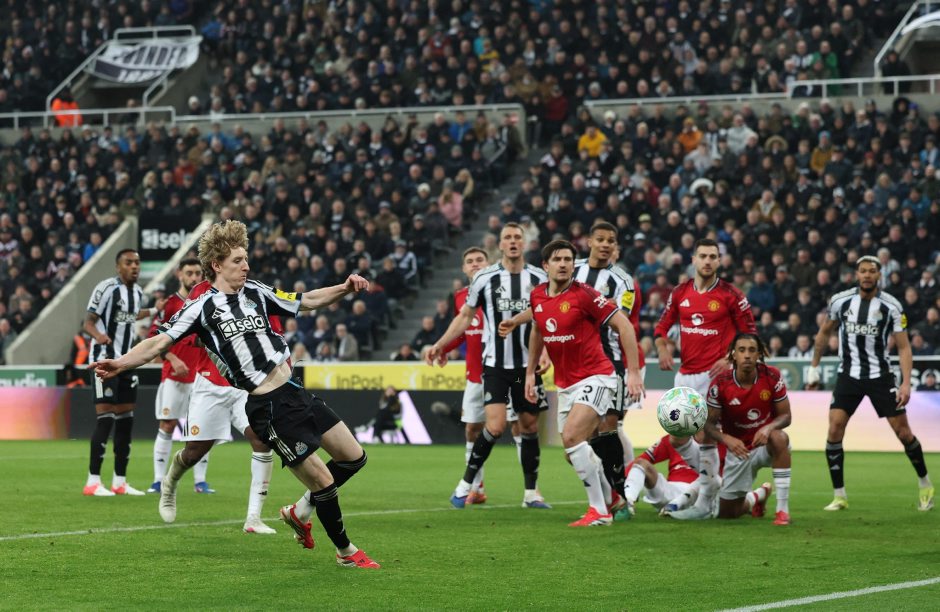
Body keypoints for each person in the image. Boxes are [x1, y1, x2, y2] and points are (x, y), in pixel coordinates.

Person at [91, 221, 380, 569]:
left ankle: (300, 510)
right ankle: (346, 552)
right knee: (323, 481)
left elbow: (306, 301)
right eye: (238, 260)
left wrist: (345, 288)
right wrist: (121, 363)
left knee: (354, 458)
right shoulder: (201, 307)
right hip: (268, 406)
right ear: (217, 265)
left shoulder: (256, 291)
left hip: (294, 391)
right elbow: (158, 342)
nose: (246, 266)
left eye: (245, 259)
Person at [500, 222, 642, 520]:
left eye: (568, 259)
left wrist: (632, 372)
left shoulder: (586, 294)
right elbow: (538, 326)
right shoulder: (538, 296)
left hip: (598, 375)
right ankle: (613, 498)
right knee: (571, 451)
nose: (564, 264)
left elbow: (625, 326)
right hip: (566, 382)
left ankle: (599, 511)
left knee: (580, 434)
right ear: (546, 266)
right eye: (558, 259)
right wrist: (529, 370)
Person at [427, 222, 551, 509]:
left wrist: (546, 353)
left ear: (524, 243)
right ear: (501, 244)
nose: (513, 241)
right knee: (494, 426)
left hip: (525, 368)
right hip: (495, 365)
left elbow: (547, 317)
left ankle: (531, 494)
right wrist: (441, 344)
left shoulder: (538, 277)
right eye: (508, 237)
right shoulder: (485, 277)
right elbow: (464, 316)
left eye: (517, 237)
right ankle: (465, 486)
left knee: (528, 425)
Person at [808, 255, 933, 512]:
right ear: (856, 274)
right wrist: (814, 367)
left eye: (871, 271)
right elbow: (824, 332)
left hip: (880, 376)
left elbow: (904, 347)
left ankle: (925, 484)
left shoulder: (892, 306)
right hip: (848, 376)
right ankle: (839, 496)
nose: (867, 275)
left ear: (879, 275)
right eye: (863, 271)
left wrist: (906, 383)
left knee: (903, 433)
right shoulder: (840, 301)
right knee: (835, 428)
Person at [653, 238, 756, 516]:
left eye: (713, 256)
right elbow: (661, 328)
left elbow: (750, 334)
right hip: (684, 377)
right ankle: (716, 486)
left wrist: (730, 358)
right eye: (703, 256)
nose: (708, 261)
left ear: (719, 261)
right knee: (677, 438)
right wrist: (662, 349)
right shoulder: (680, 292)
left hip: (715, 377)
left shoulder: (731, 295)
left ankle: (703, 503)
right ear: (693, 259)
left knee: (705, 434)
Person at [437, 246, 524, 505]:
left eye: (479, 260)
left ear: (488, 264)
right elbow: (462, 330)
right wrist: (443, 348)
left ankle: (532, 490)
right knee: (472, 428)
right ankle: (477, 488)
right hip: (476, 374)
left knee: (519, 426)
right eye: (470, 261)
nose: (475, 264)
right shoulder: (460, 297)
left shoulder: (504, 290)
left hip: (506, 369)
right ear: (464, 269)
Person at [83, 249, 164, 496]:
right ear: (118, 267)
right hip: (103, 362)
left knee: (126, 422)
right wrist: (99, 336)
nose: (134, 267)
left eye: (137, 263)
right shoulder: (106, 288)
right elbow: (87, 321)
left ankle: (119, 482)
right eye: (129, 263)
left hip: (126, 363)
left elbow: (131, 315)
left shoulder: (137, 292)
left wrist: (154, 310)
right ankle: (93, 481)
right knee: (105, 419)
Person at [704, 333, 792, 525]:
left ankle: (782, 511)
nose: (747, 355)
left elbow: (786, 416)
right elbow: (708, 425)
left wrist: (768, 428)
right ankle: (759, 495)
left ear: (759, 354)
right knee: (727, 513)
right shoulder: (720, 384)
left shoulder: (772, 376)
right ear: (733, 355)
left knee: (779, 437)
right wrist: (726, 439)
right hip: (739, 450)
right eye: (742, 350)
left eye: (752, 350)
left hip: (764, 445)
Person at [148, 258, 214, 494]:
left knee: (202, 428)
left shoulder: (209, 302)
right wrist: (172, 358)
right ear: (179, 275)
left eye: (197, 273)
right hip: (174, 377)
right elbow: (154, 337)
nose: (194, 277)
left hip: (202, 376)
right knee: (167, 424)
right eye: (189, 273)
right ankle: (158, 480)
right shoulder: (170, 304)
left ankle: (200, 482)